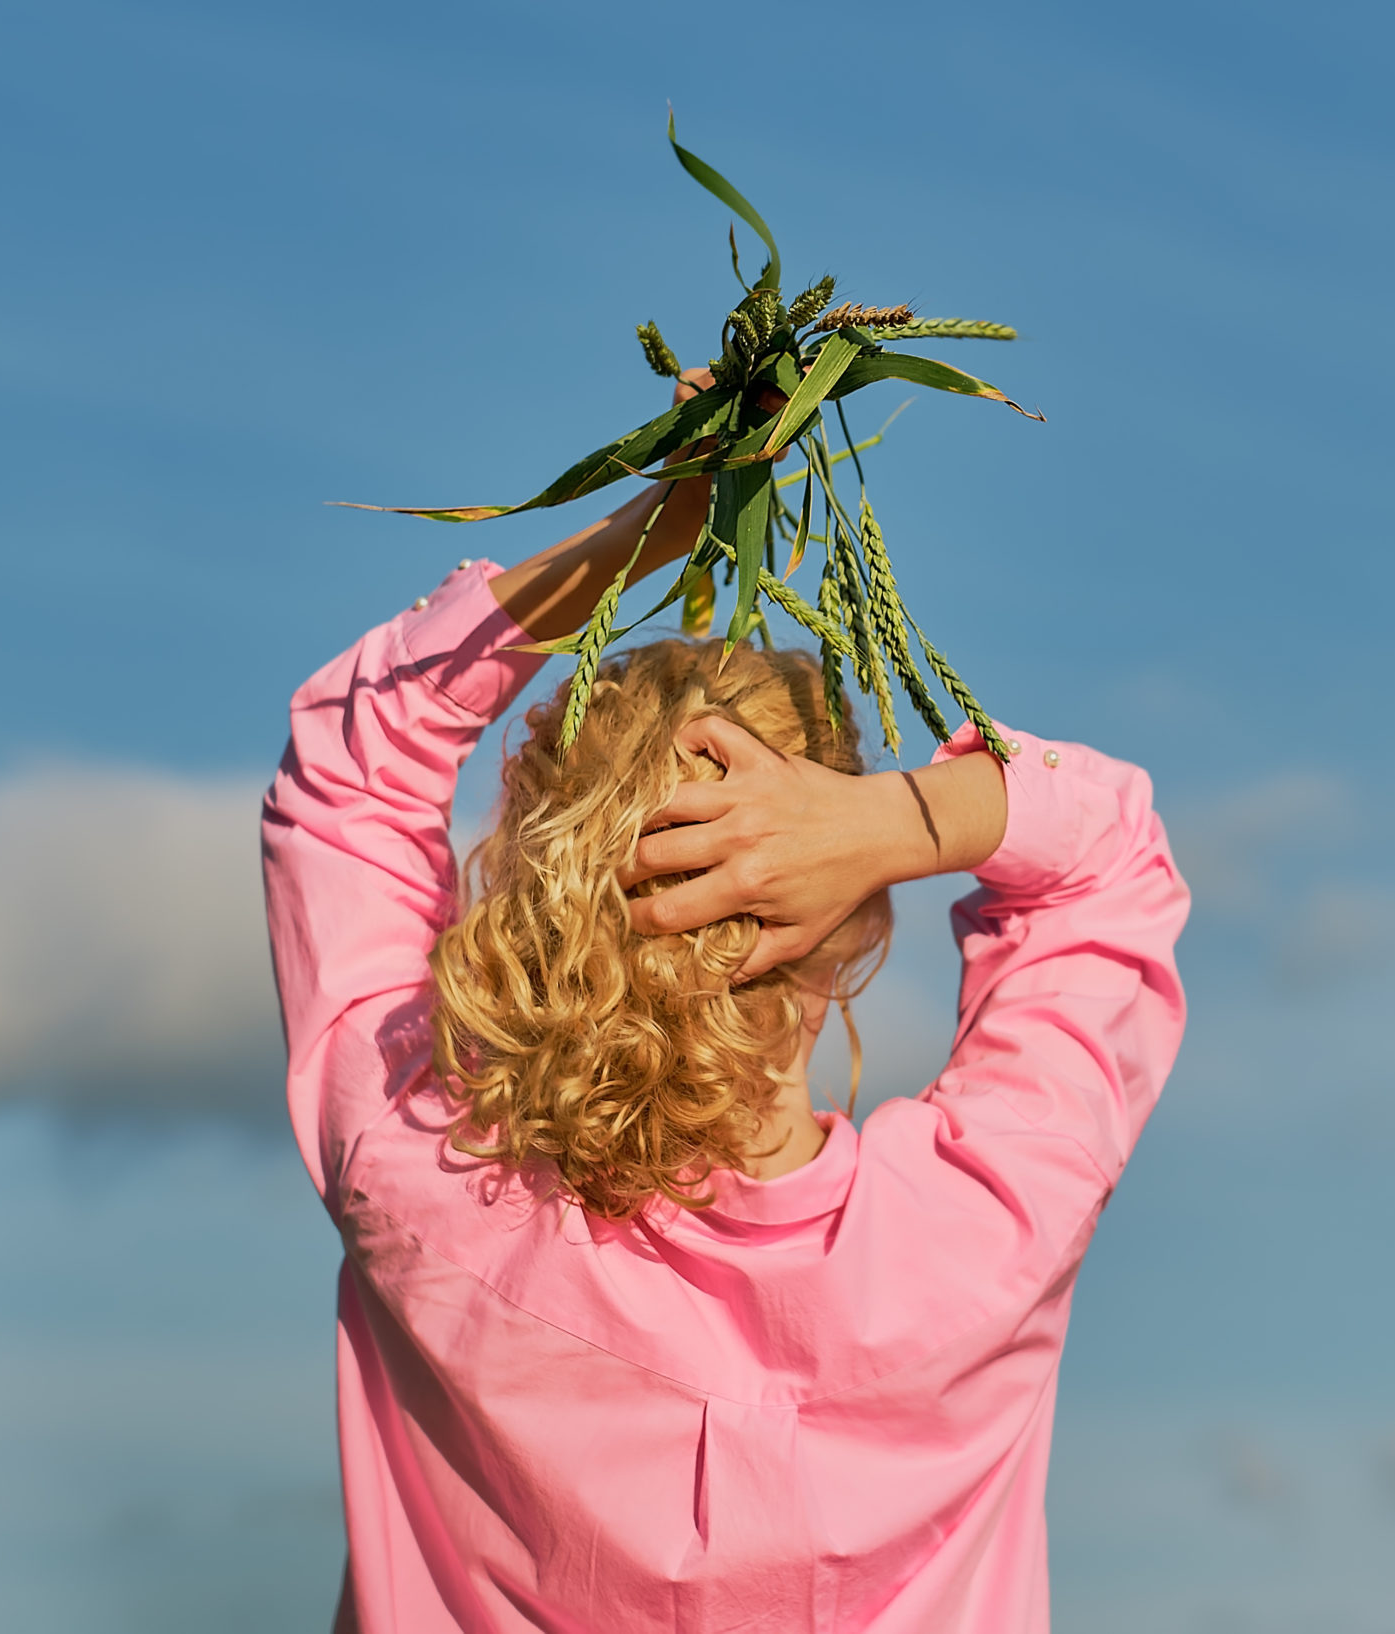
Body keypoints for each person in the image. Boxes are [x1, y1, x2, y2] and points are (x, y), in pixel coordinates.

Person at [260, 391, 1189, 1632]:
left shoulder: (427, 1180)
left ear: (542, 890)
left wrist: (650, 526)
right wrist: (885, 824)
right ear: (860, 924)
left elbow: (354, 759)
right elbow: (1107, 860)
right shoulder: (984, 1229)